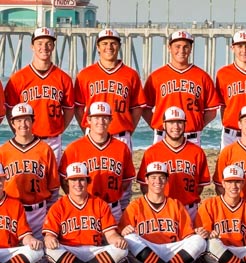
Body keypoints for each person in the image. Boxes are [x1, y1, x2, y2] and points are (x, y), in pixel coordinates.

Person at [73, 28, 146, 211]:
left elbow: (137, 107)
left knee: (123, 185)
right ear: (98, 47)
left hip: (121, 135)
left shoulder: (130, 74)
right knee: (91, 180)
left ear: (119, 46)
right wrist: (89, 131)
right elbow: (78, 107)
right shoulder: (85, 74)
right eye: (104, 43)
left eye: (113, 43)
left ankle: (119, 221)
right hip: (92, 135)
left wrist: (128, 128)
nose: (109, 47)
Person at [119, 161, 208, 263]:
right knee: (129, 238)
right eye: (153, 177)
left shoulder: (176, 204)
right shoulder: (135, 205)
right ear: (146, 180)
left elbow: (187, 235)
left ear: (167, 180)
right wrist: (124, 231)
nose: (158, 181)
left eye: (162, 177)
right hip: (146, 253)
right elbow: (121, 234)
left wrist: (197, 234)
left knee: (199, 240)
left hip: (173, 253)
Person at [43, 162, 128, 263]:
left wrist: (117, 239)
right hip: (69, 250)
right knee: (48, 249)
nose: (77, 184)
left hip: (95, 251)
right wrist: (50, 239)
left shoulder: (99, 204)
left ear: (87, 181)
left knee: (121, 249)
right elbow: (49, 235)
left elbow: (110, 234)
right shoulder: (58, 206)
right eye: (73, 180)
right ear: (67, 182)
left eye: (81, 179)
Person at [4, 27, 74, 163]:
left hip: (53, 141)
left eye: (48, 43)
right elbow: (9, 111)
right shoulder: (18, 78)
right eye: (40, 43)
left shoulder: (64, 78)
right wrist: (20, 134)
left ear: (53, 46)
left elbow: (69, 110)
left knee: (52, 182)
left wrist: (57, 130)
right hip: (27, 139)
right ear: (32, 46)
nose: (44, 47)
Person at [60, 101, 135, 222]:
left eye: (105, 118)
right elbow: (64, 180)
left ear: (111, 120)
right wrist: (78, 200)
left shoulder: (122, 148)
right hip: (86, 208)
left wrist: (114, 195)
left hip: (113, 208)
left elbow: (126, 180)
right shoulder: (74, 148)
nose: (101, 122)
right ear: (88, 120)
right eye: (96, 118)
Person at [142, 30, 221, 146]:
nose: (181, 51)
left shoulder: (202, 76)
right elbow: (145, 108)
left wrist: (196, 124)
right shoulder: (156, 76)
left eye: (186, 47)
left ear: (191, 49)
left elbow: (212, 111)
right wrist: (158, 125)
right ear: (169, 48)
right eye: (177, 46)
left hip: (191, 137)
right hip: (162, 135)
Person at [137, 107, 211, 222]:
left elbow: (200, 186)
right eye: (171, 122)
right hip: (162, 209)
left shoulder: (197, 152)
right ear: (164, 125)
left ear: (185, 124)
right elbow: (144, 186)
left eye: (179, 122)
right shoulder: (151, 153)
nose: (176, 127)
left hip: (189, 209)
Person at [0, 103, 60, 240]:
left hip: (38, 212)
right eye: (19, 120)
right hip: (12, 212)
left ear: (33, 121)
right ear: (13, 123)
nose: (23, 124)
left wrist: (47, 210)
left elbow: (54, 187)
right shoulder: (3, 151)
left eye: (27, 119)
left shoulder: (45, 149)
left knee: (42, 256)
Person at [0, 162, 44, 263]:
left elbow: (24, 235)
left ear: (4, 180)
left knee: (37, 251)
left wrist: (31, 240)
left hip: (9, 253)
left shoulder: (15, 204)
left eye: (0, 179)